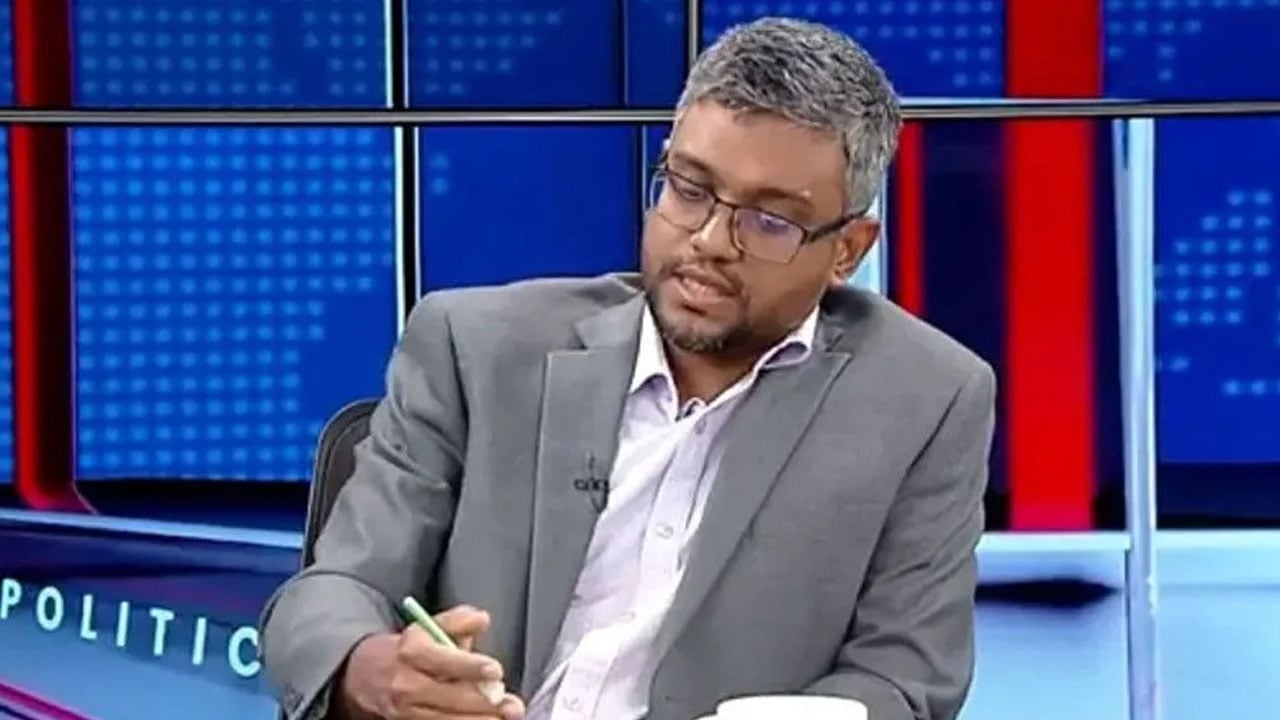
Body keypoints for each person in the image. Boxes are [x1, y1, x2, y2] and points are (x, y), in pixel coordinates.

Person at [260, 16, 995, 720]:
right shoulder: (474, 348)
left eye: (769, 221)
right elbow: (331, 592)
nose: (709, 241)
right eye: (690, 189)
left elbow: (904, 681)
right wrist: (374, 670)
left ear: (848, 250)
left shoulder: (926, 401)